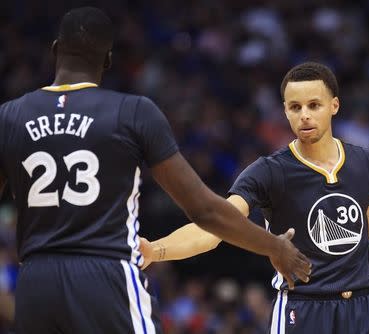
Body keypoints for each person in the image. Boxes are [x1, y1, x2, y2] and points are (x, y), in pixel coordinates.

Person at [0, 7, 311, 334]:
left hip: (35, 282)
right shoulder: (131, 112)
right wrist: (274, 246)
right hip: (104, 276)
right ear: (107, 60)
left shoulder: (9, 117)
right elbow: (204, 209)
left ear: (54, 50)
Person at [140, 62, 369, 333]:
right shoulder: (269, 171)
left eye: (313, 105)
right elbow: (215, 227)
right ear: (285, 111)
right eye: (295, 107)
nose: (304, 114)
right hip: (303, 308)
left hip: (364, 307)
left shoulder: (366, 162)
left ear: (334, 106)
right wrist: (155, 249)